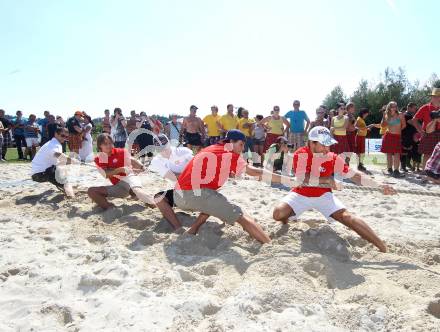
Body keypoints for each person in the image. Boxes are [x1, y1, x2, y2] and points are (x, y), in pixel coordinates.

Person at [272, 126, 395, 253]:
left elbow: (354, 175)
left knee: (347, 217)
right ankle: (287, 220)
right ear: (311, 143)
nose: (327, 149)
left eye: (328, 145)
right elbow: (303, 178)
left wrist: (379, 186)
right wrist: (326, 180)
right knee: (278, 214)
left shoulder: (332, 157)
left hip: (323, 195)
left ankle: (382, 247)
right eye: (324, 145)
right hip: (301, 193)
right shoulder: (300, 153)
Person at [154, 129, 272, 243]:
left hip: (189, 188)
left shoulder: (186, 151)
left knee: (211, 197)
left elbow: (198, 163)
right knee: (236, 213)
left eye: (165, 146)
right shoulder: (157, 161)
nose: (243, 148)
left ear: (169, 143)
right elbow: (175, 176)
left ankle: (193, 229)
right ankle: (178, 229)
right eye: (241, 145)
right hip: (189, 190)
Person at [88, 133, 154, 210]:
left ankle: (153, 204)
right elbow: (106, 174)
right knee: (92, 191)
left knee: (137, 190)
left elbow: (132, 160)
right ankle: (111, 209)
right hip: (118, 186)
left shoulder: (120, 151)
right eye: (105, 144)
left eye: (110, 143)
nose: (108, 146)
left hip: (129, 177)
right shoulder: (100, 158)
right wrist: (120, 169)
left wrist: (142, 167)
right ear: (100, 145)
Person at [31, 127, 78, 197]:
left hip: (38, 173)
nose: (64, 138)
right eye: (62, 136)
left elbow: (58, 160)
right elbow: (57, 155)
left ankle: (62, 186)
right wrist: (72, 160)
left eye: (66, 137)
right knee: (66, 181)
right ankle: (71, 196)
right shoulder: (55, 144)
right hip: (41, 173)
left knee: (62, 171)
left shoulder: (52, 143)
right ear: (56, 134)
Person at [409, 88, 440, 169]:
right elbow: (414, 120)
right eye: (435, 96)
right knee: (427, 154)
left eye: (438, 96)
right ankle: (425, 173)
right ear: (431, 97)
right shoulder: (425, 107)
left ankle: (436, 175)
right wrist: (421, 131)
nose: (437, 98)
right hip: (428, 133)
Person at [380, 101, 406, 177]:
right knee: (389, 153)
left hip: (397, 136)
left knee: (397, 153)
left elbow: (404, 125)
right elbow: (382, 125)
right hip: (388, 135)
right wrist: (383, 116)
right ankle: (389, 169)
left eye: (395, 106)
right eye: (392, 106)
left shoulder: (400, 114)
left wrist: (398, 130)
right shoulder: (386, 114)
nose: (394, 108)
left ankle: (396, 170)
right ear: (389, 107)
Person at [401, 103, 421, 172]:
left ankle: (406, 165)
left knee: (409, 151)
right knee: (404, 151)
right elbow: (413, 123)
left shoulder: (411, 115)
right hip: (405, 136)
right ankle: (403, 167)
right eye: (414, 108)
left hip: (410, 136)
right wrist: (422, 130)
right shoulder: (406, 115)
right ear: (409, 107)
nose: (415, 110)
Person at [355, 108, 372, 172]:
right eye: (366, 114)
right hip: (359, 137)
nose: (366, 116)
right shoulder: (359, 119)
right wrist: (366, 128)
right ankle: (359, 165)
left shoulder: (361, 119)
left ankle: (360, 164)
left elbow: (362, 128)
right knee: (359, 151)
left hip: (362, 137)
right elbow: (355, 126)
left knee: (361, 151)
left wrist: (366, 129)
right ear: (363, 113)